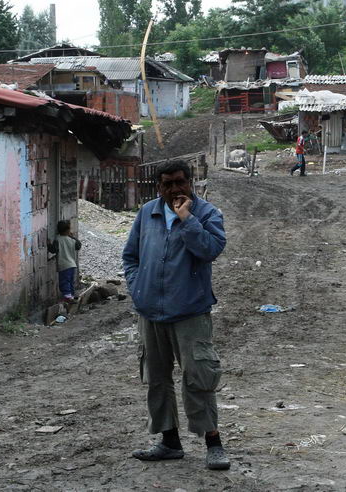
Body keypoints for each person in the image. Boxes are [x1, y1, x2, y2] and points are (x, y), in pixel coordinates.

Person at [122, 159, 229, 470]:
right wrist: (138, 287)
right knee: (156, 378)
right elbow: (130, 256)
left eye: (180, 182)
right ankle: (169, 442)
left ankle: (213, 443)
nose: (174, 189)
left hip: (190, 312)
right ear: (159, 186)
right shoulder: (147, 212)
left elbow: (210, 249)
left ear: (190, 182)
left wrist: (187, 219)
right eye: (167, 184)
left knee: (199, 376)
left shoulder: (207, 214)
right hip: (150, 311)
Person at [51, 220, 81, 303]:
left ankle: (68, 297)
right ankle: (71, 295)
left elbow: (53, 250)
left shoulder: (57, 240)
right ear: (68, 230)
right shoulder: (72, 240)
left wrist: (48, 244)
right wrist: (72, 237)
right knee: (70, 281)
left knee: (64, 281)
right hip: (72, 264)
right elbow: (79, 245)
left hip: (64, 265)